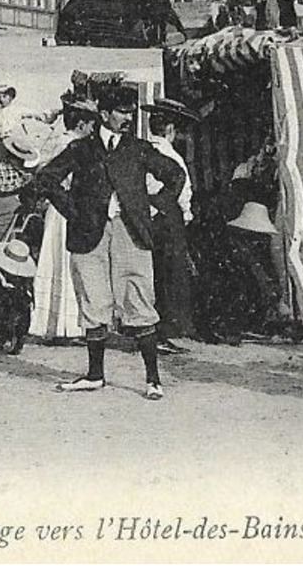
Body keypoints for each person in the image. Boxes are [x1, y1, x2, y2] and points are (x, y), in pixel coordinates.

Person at [32, 84, 185, 400]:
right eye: (122, 112)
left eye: (131, 112)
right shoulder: (81, 149)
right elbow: (47, 178)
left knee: (138, 300)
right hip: (89, 234)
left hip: (131, 234)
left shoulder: (139, 149)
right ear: (104, 114)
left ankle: (153, 379)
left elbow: (175, 176)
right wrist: (74, 211)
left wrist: (156, 207)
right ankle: (95, 375)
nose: (128, 118)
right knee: (94, 299)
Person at [31, 99, 98, 342]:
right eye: (91, 125)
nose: (93, 130)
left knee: (56, 261)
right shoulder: (73, 146)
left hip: (56, 209)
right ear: (81, 124)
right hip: (68, 208)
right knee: (70, 263)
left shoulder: (55, 141)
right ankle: (70, 326)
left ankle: (54, 325)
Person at [144, 98, 198, 354]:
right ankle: (162, 333)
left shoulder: (141, 150)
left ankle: (148, 329)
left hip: (146, 216)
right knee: (169, 274)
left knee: (151, 273)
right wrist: (185, 215)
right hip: (167, 217)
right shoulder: (170, 155)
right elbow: (183, 193)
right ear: (170, 129)